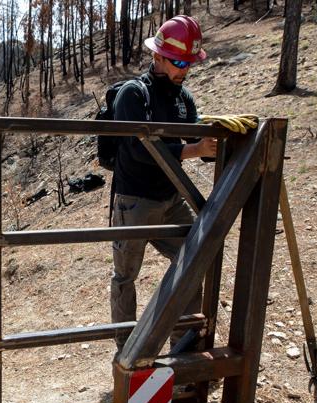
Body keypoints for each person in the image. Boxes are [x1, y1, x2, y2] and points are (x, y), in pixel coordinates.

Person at [111, 15, 217, 353]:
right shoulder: (133, 94)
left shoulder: (183, 98)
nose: (183, 70)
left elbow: (198, 136)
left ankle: (182, 345)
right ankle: (128, 353)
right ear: (157, 56)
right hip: (135, 201)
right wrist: (194, 148)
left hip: (172, 198)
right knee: (126, 277)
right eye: (177, 62)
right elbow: (140, 149)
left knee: (194, 261)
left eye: (188, 63)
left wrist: (220, 137)